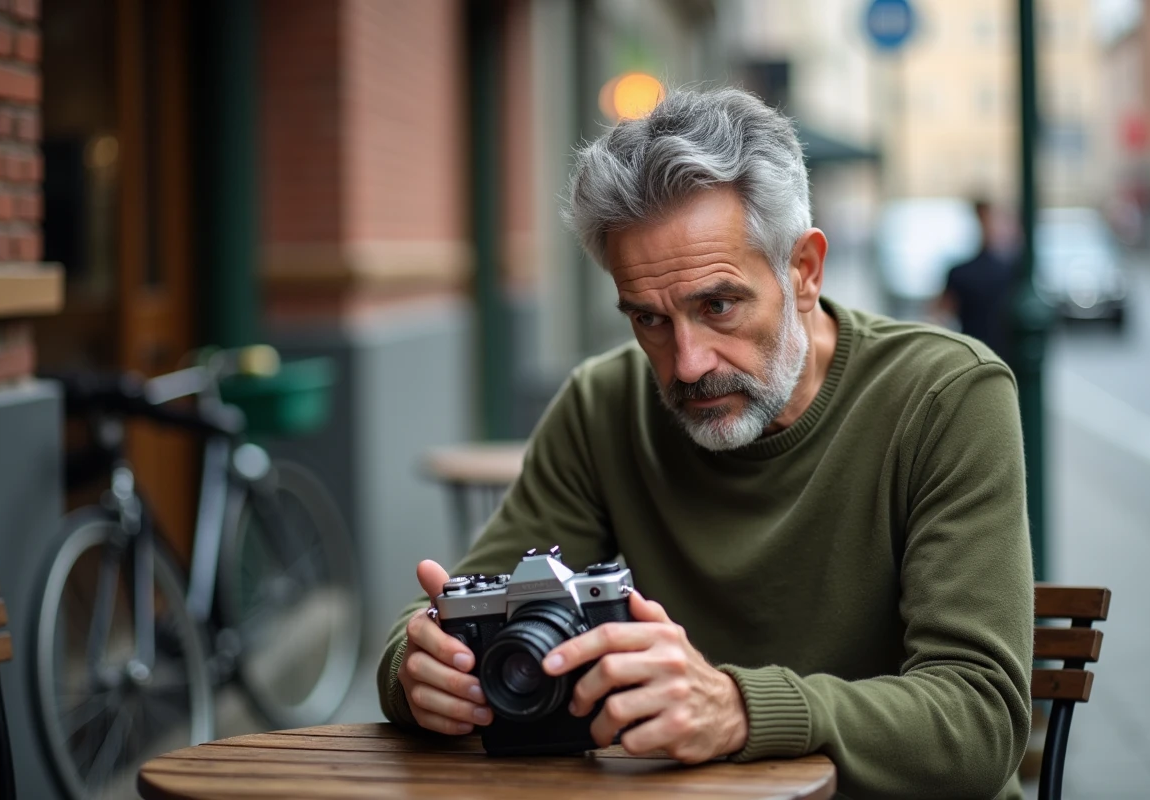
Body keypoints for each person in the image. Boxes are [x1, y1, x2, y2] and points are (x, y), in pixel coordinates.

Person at [377, 88, 1032, 800]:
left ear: (804, 271)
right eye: (650, 319)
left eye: (717, 306)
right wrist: (418, 673)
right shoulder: (604, 403)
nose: (686, 363)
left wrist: (739, 708)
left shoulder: (944, 395)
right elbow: (439, 617)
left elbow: (980, 721)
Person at [935, 200, 1018, 364]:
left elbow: (939, 315)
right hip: (985, 355)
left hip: (979, 355)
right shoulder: (1009, 269)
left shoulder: (1010, 269)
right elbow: (940, 314)